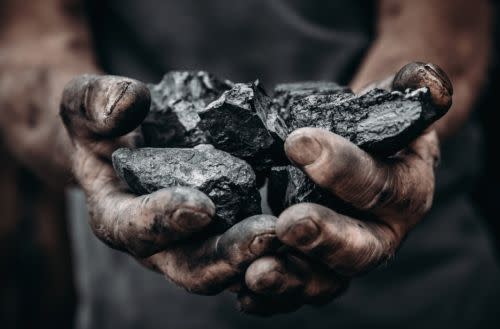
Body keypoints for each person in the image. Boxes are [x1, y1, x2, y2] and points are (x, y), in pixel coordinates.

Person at [1, 0, 499, 328]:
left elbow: (445, 32)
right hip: (149, 305)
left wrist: (382, 123)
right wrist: (88, 134)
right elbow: (29, 49)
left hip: (420, 293)